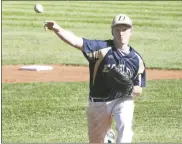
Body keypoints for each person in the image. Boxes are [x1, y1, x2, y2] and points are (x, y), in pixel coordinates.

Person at [44, 13, 146, 143]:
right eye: (117, 29)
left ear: (131, 31)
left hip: (122, 99)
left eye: (124, 29)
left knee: (125, 130)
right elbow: (76, 41)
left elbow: (139, 89)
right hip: (99, 102)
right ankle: (107, 138)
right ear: (112, 31)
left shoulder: (137, 59)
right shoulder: (101, 49)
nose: (121, 33)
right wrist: (57, 29)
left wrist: (129, 88)